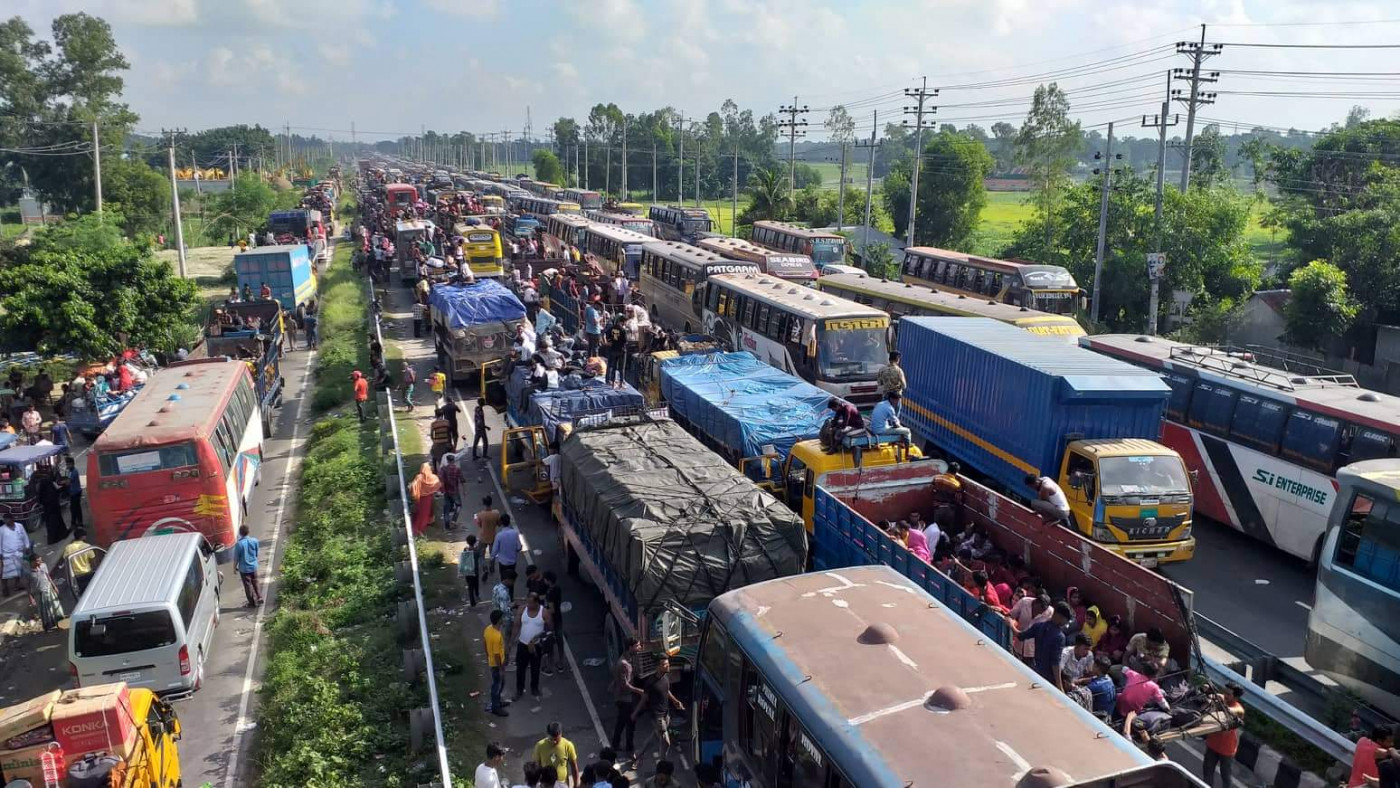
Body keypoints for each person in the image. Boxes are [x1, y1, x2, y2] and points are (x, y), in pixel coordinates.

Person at [633, 657, 684, 767]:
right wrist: (635, 713)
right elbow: (644, 698)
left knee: (656, 736)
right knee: (666, 742)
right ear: (658, 667)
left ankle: (639, 753)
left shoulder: (665, 677)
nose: (668, 666)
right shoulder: (650, 682)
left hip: (666, 713)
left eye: (668, 663)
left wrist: (675, 701)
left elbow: (667, 690)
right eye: (665, 664)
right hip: (658, 717)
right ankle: (663, 764)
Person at [1013, 602, 1072, 685]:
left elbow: (1020, 636)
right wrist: (1059, 685)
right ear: (1059, 616)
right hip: (1049, 678)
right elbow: (1055, 663)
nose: (1066, 623)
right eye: (1066, 619)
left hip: (1037, 672)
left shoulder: (1038, 626)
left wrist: (1011, 624)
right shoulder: (1059, 636)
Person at [1202, 682, 1247, 787]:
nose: (1225, 695)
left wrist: (1218, 701)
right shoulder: (1222, 698)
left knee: (1226, 776)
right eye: (1224, 692)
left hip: (1227, 749)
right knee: (1207, 773)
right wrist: (1206, 690)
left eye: (1228, 694)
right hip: (1212, 745)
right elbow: (1212, 695)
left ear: (1235, 697)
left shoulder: (1239, 710)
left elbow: (1230, 710)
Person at [610, 637, 645, 759]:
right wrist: (639, 691)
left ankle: (615, 743)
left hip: (626, 697)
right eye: (638, 646)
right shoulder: (623, 664)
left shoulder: (630, 659)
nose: (640, 648)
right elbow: (624, 685)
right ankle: (630, 749)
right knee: (630, 723)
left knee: (621, 721)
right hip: (624, 699)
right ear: (630, 647)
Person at [532, 722, 579, 788]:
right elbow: (536, 767)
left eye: (557, 739)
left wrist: (576, 785)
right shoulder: (539, 746)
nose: (554, 742)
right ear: (547, 735)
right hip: (546, 785)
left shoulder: (568, 746)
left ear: (561, 734)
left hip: (563, 784)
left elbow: (574, 767)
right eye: (551, 739)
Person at [28, 554, 64, 631]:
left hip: (49, 589)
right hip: (39, 594)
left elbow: (48, 577)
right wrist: (31, 598)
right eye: (38, 561)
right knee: (44, 612)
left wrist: (54, 586)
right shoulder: (28, 573)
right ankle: (47, 628)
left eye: (40, 560)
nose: (40, 562)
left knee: (54, 608)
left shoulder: (43, 566)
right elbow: (28, 587)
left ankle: (57, 625)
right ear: (32, 562)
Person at [483, 612, 509, 717]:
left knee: (500, 684)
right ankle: (495, 707)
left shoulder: (488, 629)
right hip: (497, 665)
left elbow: (484, 643)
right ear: (499, 620)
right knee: (497, 686)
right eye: (502, 618)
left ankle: (497, 702)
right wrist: (501, 669)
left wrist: (488, 655)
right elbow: (497, 655)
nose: (503, 619)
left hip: (492, 661)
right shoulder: (496, 636)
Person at [58, 528, 96, 596]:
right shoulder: (87, 546)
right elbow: (92, 560)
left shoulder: (68, 547)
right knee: (91, 591)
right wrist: (95, 570)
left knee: (82, 593)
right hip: (87, 572)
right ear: (82, 537)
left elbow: (66, 561)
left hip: (76, 575)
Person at [409, 462, 442, 534]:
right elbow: (438, 484)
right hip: (428, 498)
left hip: (419, 498)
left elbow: (413, 487)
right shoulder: (433, 477)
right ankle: (421, 527)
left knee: (419, 513)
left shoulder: (419, 478)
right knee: (426, 513)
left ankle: (416, 528)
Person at [234, 524, 263, 607]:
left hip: (244, 569)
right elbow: (257, 553)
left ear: (240, 533)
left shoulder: (239, 544)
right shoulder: (255, 541)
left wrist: (234, 568)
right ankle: (259, 597)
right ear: (248, 532)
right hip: (254, 566)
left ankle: (252, 603)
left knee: (248, 586)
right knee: (256, 582)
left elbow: (236, 558)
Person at [492, 514, 521, 597]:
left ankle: (504, 598)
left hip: (503, 563)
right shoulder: (515, 533)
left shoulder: (499, 535)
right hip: (512, 562)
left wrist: (492, 558)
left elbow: (494, 550)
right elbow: (519, 547)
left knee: (504, 582)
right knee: (511, 581)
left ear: (501, 522)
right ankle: (511, 598)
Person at [1, 518, 31, 597]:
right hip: (7, 555)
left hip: (19, 552)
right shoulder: (1, 529)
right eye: (5, 520)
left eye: (8, 520)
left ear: (12, 519)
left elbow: (25, 536)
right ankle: (4, 588)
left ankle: (17, 585)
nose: (6, 521)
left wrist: (27, 546)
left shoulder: (19, 526)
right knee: (5, 574)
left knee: (19, 570)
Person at [36, 470, 67, 545]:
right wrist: (64, 486)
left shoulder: (42, 486)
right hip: (53, 508)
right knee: (56, 523)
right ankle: (58, 537)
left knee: (50, 525)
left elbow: (40, 498)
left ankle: (52, 539)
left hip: (47, 509)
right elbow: (56, 492)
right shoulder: (49, 484)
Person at [440, 450, 463, 528]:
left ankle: (447, 526)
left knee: (446, 507)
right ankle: (453, 520)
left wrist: (442, 490)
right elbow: (462, 479)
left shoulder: (443, 469)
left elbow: (441, 480)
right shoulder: (457, 469)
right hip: (454, 491)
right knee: (459, 505)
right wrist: (464, 490)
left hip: (446, 491)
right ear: (453, 460)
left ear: (447, 460)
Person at [459, 535, 482, 606]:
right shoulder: (476, 551)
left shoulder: (465, 550)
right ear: (475, 542)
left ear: (467, 542)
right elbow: (480, 558)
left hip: (468, 571)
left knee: (470, 586)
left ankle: (472, 601)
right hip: (475, 570)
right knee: (476, 583)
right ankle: (477, 595)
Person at [65, 456, 84, 531]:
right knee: (74, 508)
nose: (67, 466)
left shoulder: (74, 472)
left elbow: (68, 482)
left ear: (72, 464)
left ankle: (77, 523)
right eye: (66, 464)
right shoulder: (70, 471)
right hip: (73, 492)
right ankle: (76, 523)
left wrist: (63, 482)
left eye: (68, 464)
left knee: (75, 508)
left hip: (75, 492)